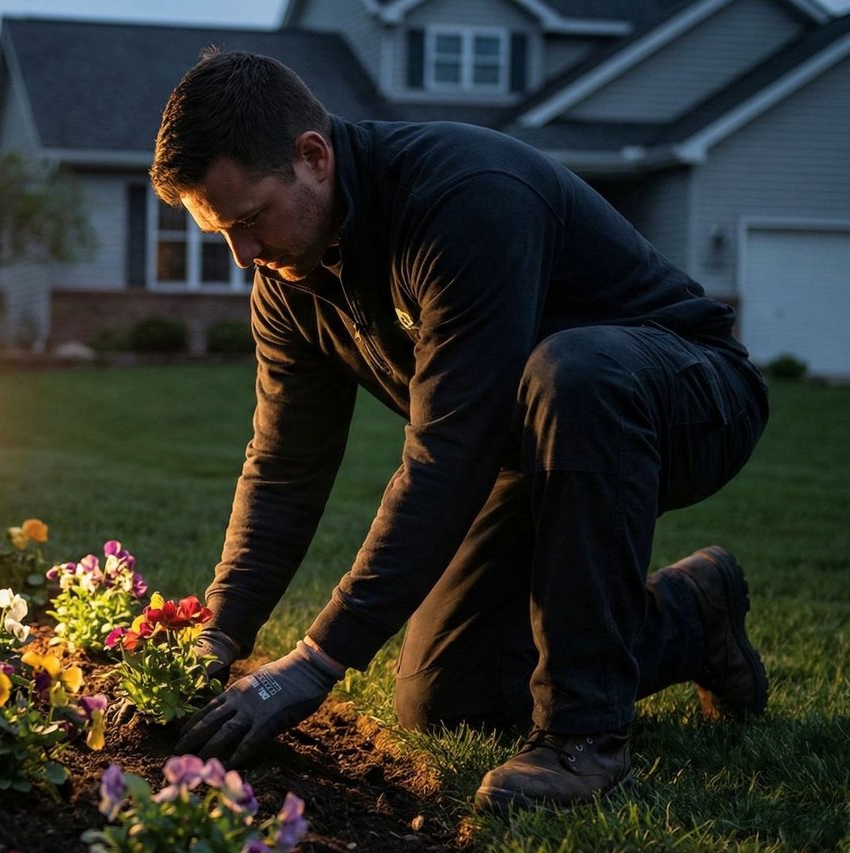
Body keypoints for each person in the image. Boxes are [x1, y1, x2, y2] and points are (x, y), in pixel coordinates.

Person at [158, 49, 771, 812]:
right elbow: (285, 466)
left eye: (248, 220)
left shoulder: (462, 197)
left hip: (684, 393)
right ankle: (694, 616)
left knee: (573, 370)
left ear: (312, 157)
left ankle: (584, 743)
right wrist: (217, 636)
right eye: (222, 232)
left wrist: (316, 661)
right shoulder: (291, 279)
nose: (242, 255)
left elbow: (450, 451)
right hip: (531, 437)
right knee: (447, 696)